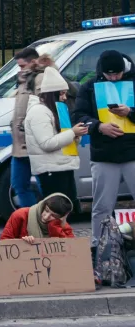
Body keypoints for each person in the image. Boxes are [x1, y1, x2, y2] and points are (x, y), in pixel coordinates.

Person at [74, 48, 135, 236]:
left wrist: (131, 113)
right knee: (102, 207)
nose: (114, 78)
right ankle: (98, 246)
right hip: (104, 155)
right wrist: (99, 127)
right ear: (102, 71)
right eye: (110, 74)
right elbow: (79, 115)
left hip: (133, 153)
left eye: (118, 73)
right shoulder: (90, 86)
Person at [25, 65, 87, 204]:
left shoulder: (55, 110)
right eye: (62, 93)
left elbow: (63, 140)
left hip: (61, 166)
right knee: (57, 211)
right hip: (51, 170)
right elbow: (47, 143)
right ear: (52, 93)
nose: (65, 97)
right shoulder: (39, 112)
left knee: (67, 208)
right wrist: (72, 132)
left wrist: (76, 136)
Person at [9, 47, 43, 210]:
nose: (20, 70)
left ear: (33, 62)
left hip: (34, 142)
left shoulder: (39, 79)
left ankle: (44, 222)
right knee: (18, 184)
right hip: (20, 144)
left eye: (23, 66)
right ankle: (31, 220)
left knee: (44, 187)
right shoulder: (23, 81)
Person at [0, 192, 75, 241]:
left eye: (53, 215)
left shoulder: (62, 224)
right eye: (46, 210)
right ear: (43, 205)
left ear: (61, 217)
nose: (46, 217)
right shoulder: (21, 215)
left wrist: (55, 226)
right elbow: (4, 242)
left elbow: (71, 249)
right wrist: (22, 242)